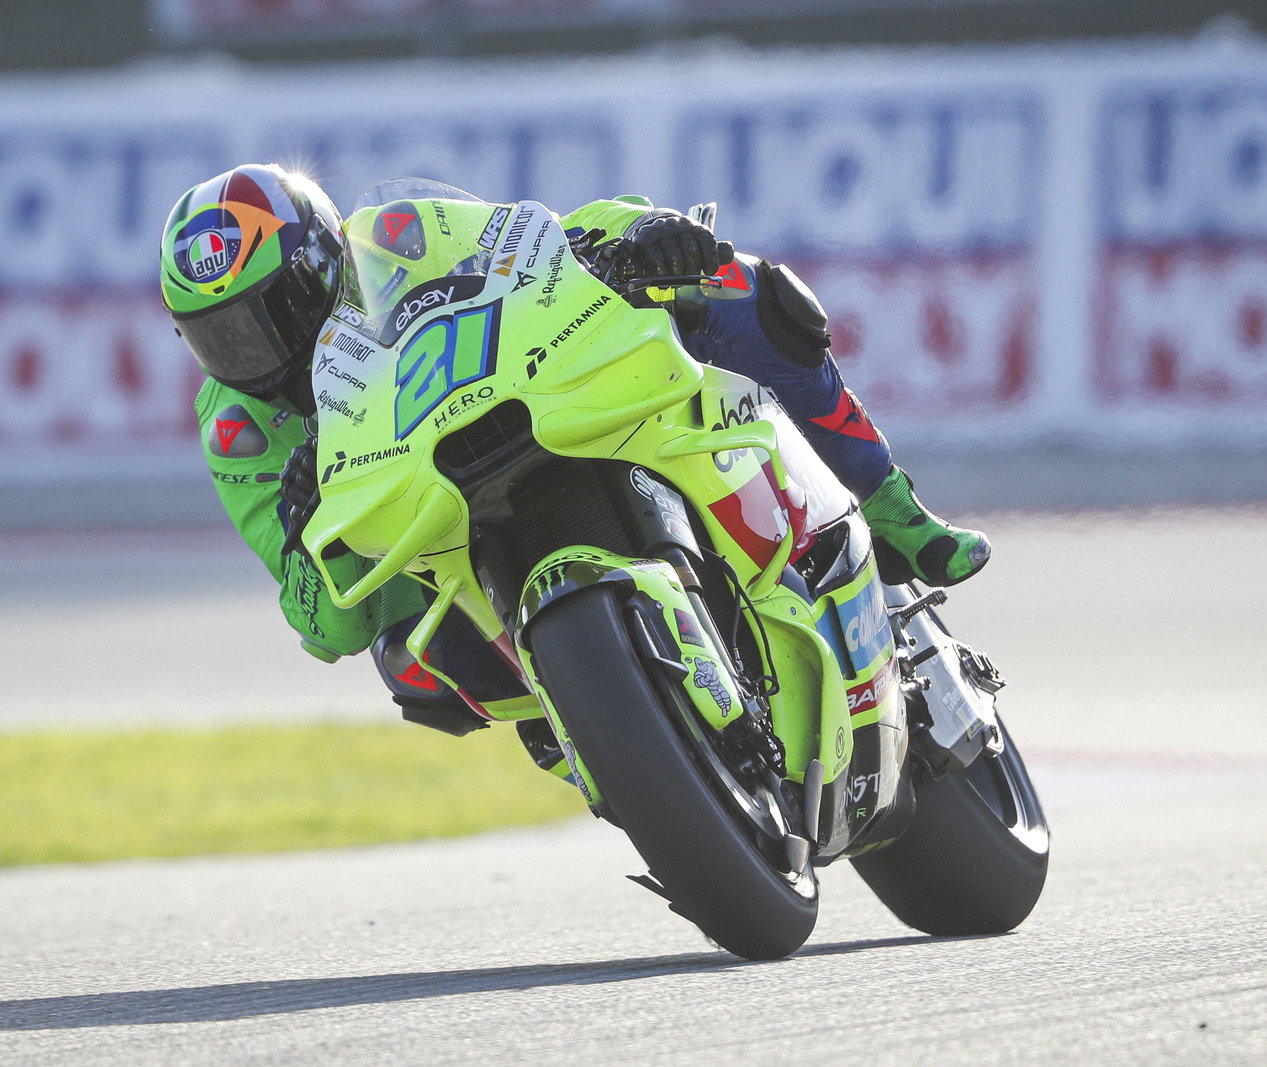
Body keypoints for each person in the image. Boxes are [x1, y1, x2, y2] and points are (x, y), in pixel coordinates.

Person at [159, 164, 989, 731]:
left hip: (531, 399)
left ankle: (893, 511)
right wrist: (312, 529)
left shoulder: (396, 235)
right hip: (424, 536)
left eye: (268, 315)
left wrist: (640, 235)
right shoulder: (237, 427)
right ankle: (589, 731)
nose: (256, 358)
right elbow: (319, 621)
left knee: (743, 293)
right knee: (406, 664)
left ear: (321, 263)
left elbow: (533, 241)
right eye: (220, 339)